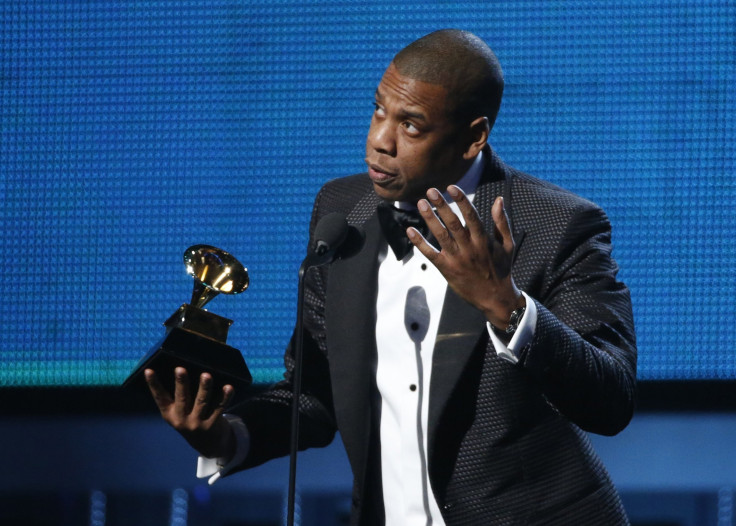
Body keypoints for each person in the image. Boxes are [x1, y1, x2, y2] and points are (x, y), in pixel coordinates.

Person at [145, 29, 637, 525]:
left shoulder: (557, 225)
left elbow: (611, 400)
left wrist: (507, 307)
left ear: (474, 137)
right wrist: (228, 436)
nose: (380, 140)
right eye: (379, 110)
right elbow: (313, 393)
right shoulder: (341, 212)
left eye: (411, 126)